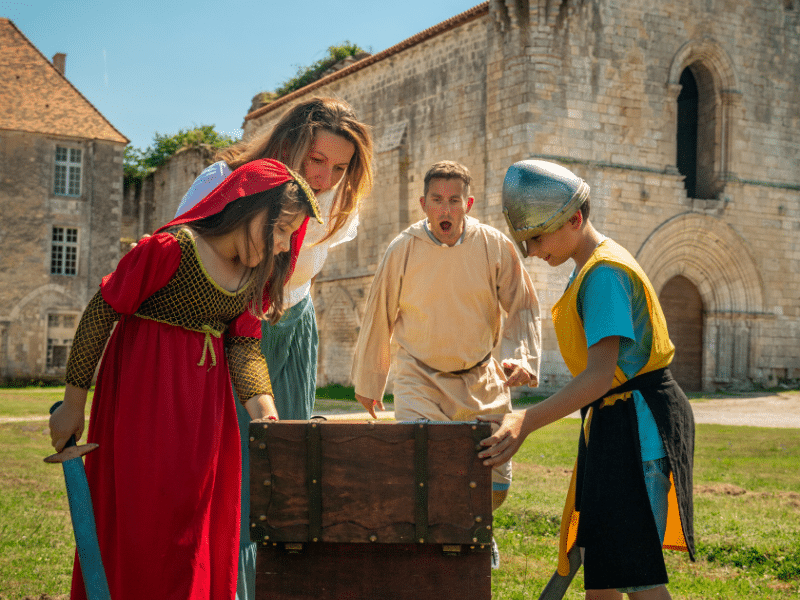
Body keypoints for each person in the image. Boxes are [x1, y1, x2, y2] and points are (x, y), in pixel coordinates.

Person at [48, 159, 322, 600]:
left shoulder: (253, 275)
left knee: (193, 524)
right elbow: (103, 309)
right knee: (145, 521)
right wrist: (73, 404)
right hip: (146, 398)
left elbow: (244, 347)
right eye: (281, 229)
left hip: (205, 418)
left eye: (290, 234)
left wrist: (266, 415)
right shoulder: (170, 248)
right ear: (250, 208)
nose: (283, 245)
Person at [174, 96, 373, 599]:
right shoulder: (225, 178)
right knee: (232, 468)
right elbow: (181, 255)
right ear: (290, 142)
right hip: (230, 327)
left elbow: (301, 274)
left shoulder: (338, 203)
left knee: (286, 469)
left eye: (341, 166)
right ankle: (224, 585)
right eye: (317, 160)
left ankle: (279, 585)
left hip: (294, 328)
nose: (327, 177)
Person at [478, 160, 695, 599]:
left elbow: (599, 377)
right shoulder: (589, 267)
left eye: (537, 236)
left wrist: (526, 420)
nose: (533, 250)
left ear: (574, 219)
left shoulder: (604, 275)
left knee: (636, 572)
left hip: (638, 431)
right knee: (605, 570)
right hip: (617, 424)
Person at [350, 160, 541, 564]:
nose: (446, 209)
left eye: (454, 200)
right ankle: (429, 550)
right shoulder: (402, 248)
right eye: (437, 200)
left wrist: (520, 357)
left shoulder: (494, 245)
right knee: (422, 470)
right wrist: (370, 381)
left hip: (482, 377)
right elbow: (379, 313)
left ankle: (478, 526)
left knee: (496, 482)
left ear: (468, 203)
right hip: (420, 377)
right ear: (423, 204)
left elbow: (522, 306)